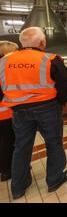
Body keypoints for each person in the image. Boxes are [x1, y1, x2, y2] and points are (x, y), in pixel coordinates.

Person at [0, 27, 67, 199]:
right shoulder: (51, 59)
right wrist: (60, 103)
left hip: (18, 111)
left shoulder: (4, 61)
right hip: (47, 108)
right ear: (42, 42)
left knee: (21, 147)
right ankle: (54, 180)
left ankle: (18, 187)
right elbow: (64, 86)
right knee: (53, 143)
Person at [0, 41, 18, 182]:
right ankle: (8, 170)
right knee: (9, 141)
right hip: (6, 112)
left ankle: (4, 169)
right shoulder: (5, 69)